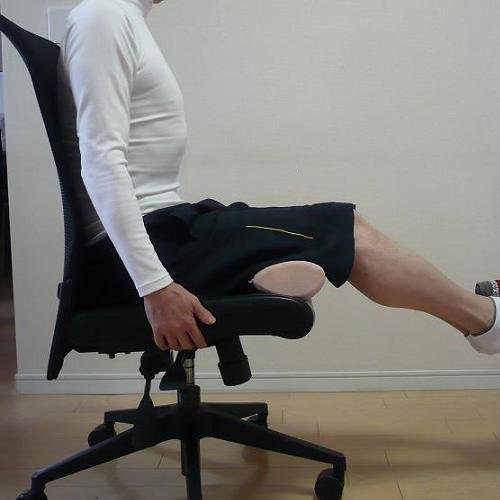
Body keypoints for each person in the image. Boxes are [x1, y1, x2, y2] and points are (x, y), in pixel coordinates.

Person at [57, 0, 499, 355]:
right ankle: (487, 321)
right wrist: (154, 286)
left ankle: (261, 268)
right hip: (145, 249)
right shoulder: (104, 16)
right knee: (343, 229)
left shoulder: (120, 17)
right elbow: (101, 162)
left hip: (168, 227)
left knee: (338, 226)